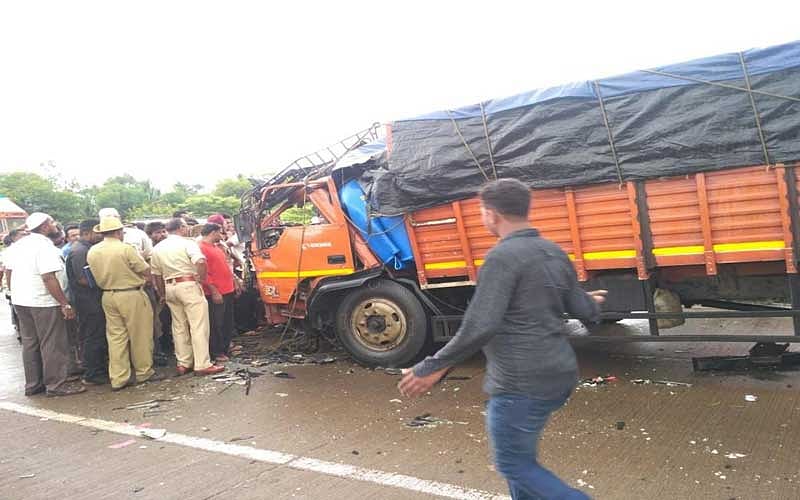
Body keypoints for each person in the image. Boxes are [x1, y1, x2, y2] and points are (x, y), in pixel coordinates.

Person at [398, 179, 607, 500]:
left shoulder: (501, 258)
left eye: (482, 212)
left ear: (492, 214)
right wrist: (592, 301)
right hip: (559, 373)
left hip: (520, 382)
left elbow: (481, 324)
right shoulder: (552, 252)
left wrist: (433, 365)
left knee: (514, 464)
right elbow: (581, 307)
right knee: (520, 465)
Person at [6, 212, 85, 397]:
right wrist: (64, 303)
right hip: (43, 301)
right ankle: (56, 384)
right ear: (43, 226)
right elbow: (48, 277)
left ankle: (33, 384)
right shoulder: (44, 246)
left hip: (21, 301)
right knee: (53, 343)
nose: (54, 225)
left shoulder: (18, 245)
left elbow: (9, 272)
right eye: (50, 222)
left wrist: (14, 293)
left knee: (30, 343)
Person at [87, 216, 161, 391]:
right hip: (130, 293)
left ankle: (119, 377)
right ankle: (144, 372)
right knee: (140, 335)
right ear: (119, 232)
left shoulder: (93, 251)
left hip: (108, 295)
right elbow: (144, 269)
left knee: (116, 338)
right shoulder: (125, 249)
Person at [151, 218, 224, 376]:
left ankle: (184, 362)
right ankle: (202, 363)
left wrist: (163, 293)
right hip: (188, 284)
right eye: (185, 226)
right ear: (181, 228)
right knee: (198, 325)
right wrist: (201, 278)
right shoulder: (187, 243)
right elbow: (200, 261)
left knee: (179, 326)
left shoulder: (157, 248)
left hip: (170, 286)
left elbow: (156, 274)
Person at [66, 219, 109, 385]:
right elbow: (83, 279)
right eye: (98, 232)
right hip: (88, 301)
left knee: (96, 335)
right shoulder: (80, 251)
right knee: (93, 336)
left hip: (92, 299)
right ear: (88, 232)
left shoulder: (87, 248)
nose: (100, 235)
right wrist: (105, 283)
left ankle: (97, 368)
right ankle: (93, 373)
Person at [199, 223, 236, 362]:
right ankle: (217, 351)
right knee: (216, 323)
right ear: (213, 232)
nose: (223, 235)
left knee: (227, 321)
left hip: (227, 289)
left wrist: (235, 283)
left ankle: (225, 348)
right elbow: (205, 274)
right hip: (216, 292)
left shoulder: (216, 247)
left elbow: (225, 266)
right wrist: (214, 291)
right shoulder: (202, 248)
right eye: (221, 232)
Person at [2, 229, 28, 343]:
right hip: (17, 291)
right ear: (14, 238)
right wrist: (11, 290)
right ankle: (20, 332)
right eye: (22, 235)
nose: (25, 236)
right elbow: (8, 271)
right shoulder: (11, 251)